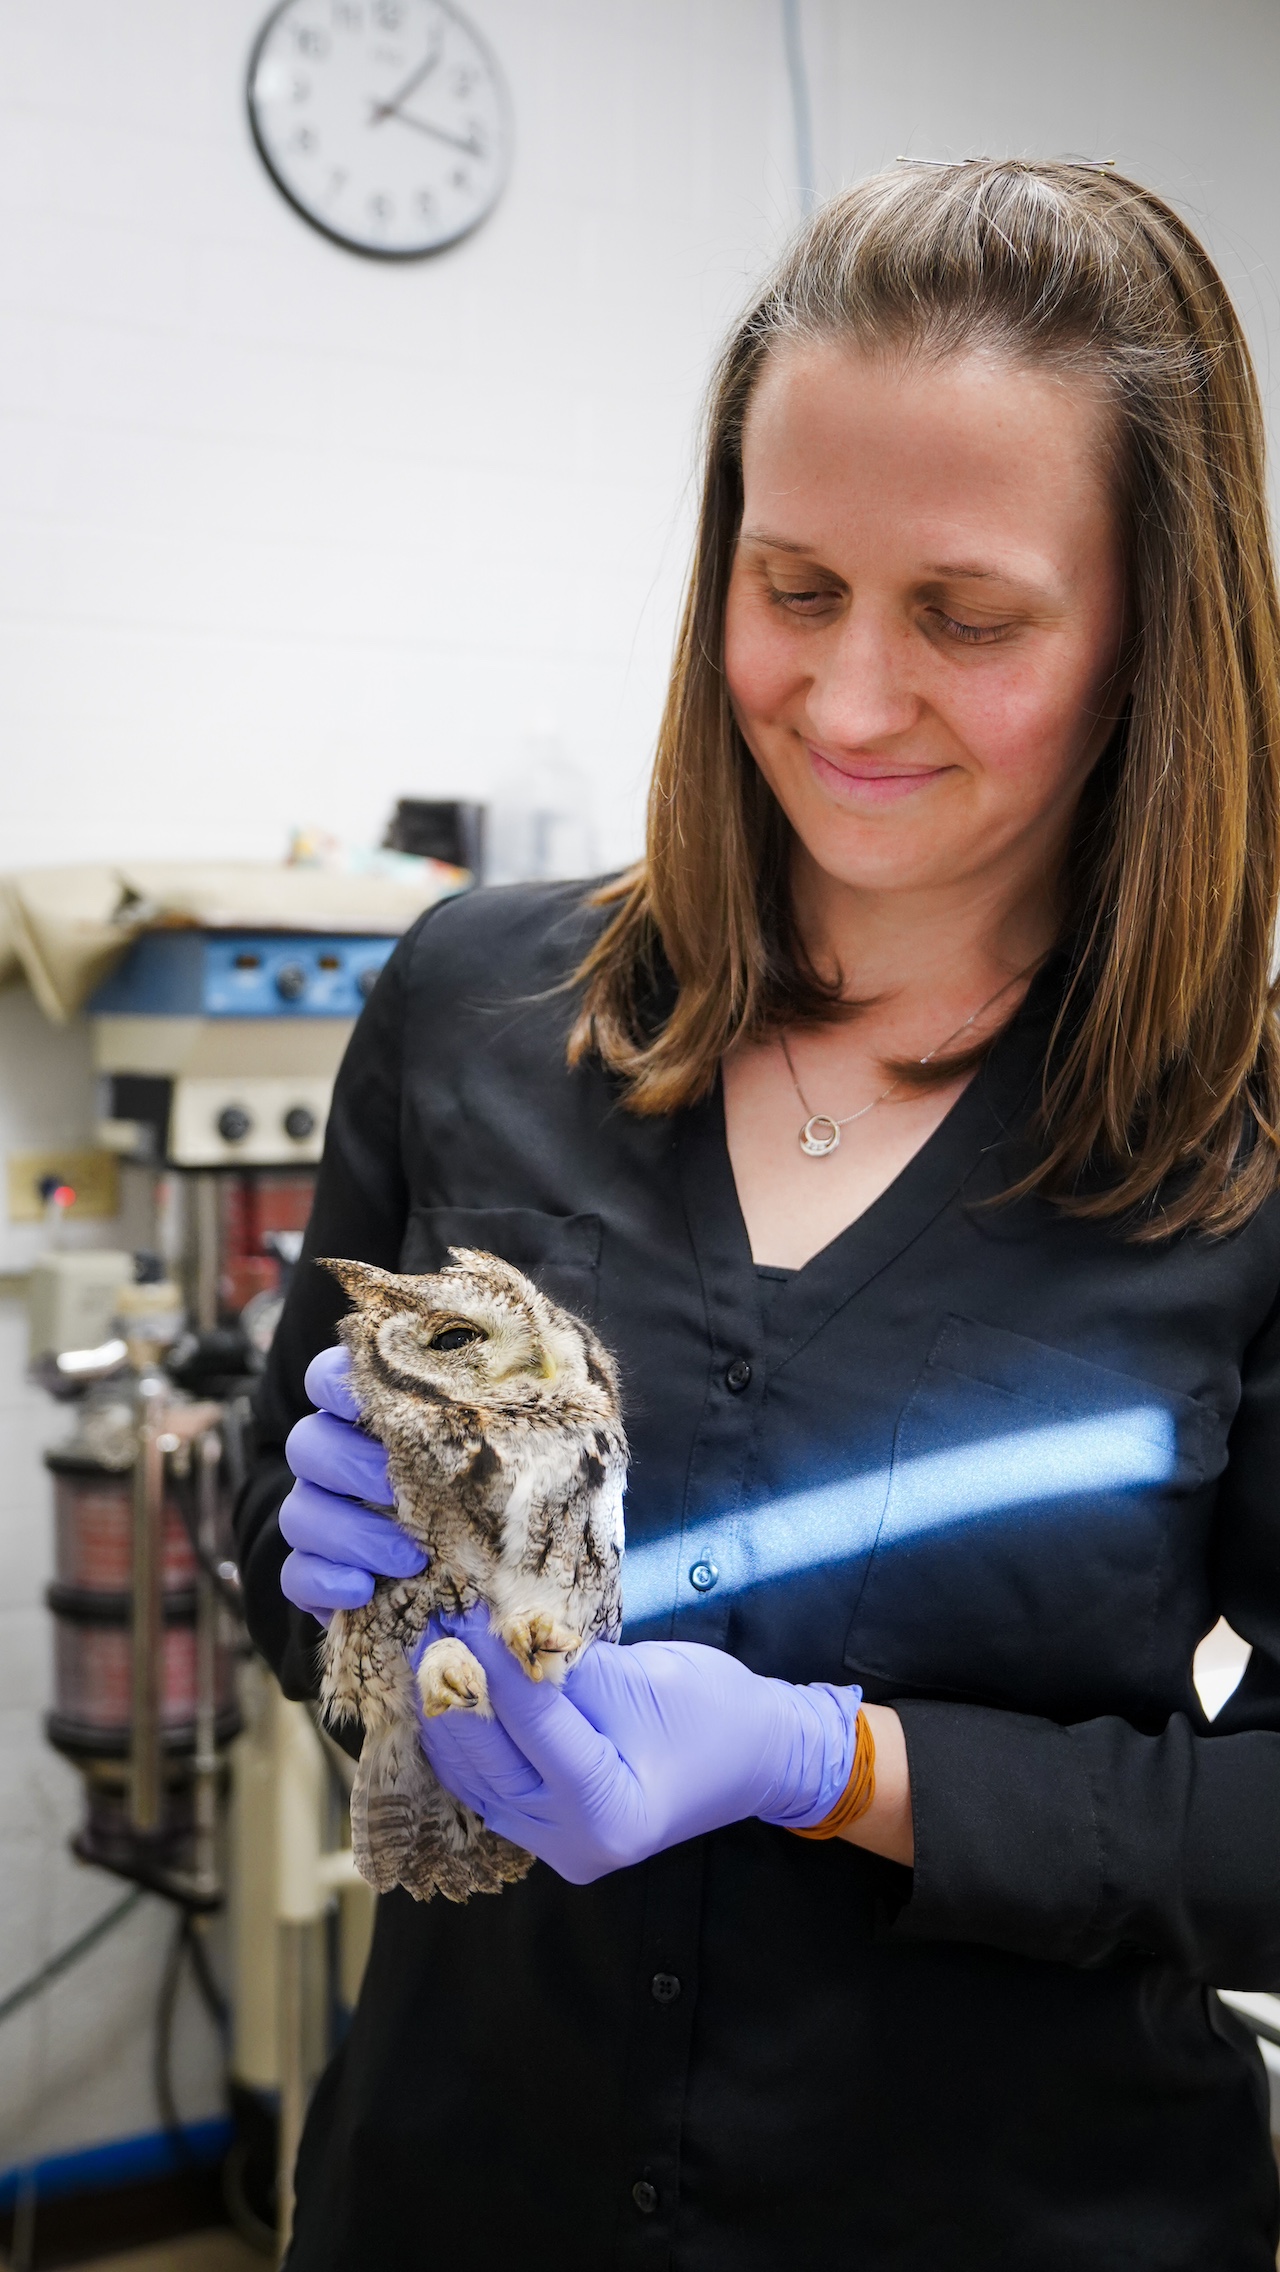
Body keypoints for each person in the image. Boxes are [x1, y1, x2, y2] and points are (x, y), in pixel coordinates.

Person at [236, 159, 1280, 2269]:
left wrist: (842, 1763)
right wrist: (341, 1584)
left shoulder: (1243, 1142)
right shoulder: (475, 1002)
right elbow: (278, 1576)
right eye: (792, 587)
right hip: (459, 2190)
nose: (849, 699)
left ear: (1155, 633)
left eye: (966, 618)